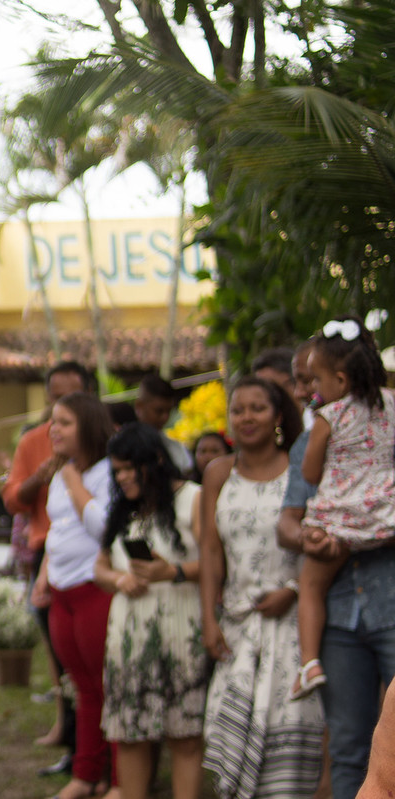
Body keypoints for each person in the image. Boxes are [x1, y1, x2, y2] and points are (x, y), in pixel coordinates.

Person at [200, 376, 323, 797]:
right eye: (238, 410)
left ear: (276, 417)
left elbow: (316, 541)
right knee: (225, 730)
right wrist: (208, 620)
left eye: (257, 408)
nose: (246, 417)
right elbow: (210, 552)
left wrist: (291, 589)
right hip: (236, 624)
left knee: (288, 737)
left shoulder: (301, 467)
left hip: (293, 624)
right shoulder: (217, 473)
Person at [93, 423, 207, 799]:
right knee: (131, 735)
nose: (123, 478)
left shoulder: (194, 498)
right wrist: (118, 580)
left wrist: (170, 572)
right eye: (117, 471)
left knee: (185, 735)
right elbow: (100, 568)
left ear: (155, 461)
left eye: (129, 468)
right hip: (131, 636)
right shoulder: (126, 511)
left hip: (183, 630)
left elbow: (217, 565)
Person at [289, 318, 395, 703]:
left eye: (317, 380)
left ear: (341, 380)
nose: (314, 389)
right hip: (384, 517)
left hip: (339, 520)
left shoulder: (328, 418)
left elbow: (310, 472)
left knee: (312, 586)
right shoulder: (393, 406)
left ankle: (310, 663)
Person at [2, 361, 93, 772]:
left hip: (92, 557)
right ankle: (70, 734)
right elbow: (13, 499)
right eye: (54, 396)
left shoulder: (101, 445)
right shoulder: (36, 440)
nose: (59, 406)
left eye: (70, 397)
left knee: (89, 659)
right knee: (60, 653)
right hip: (47, 552)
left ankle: (89, 749)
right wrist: (41, 477)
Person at [29, 392, 116, 799]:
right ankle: (86, 774)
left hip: (95, 590)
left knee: (107, 686)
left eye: (64, 422)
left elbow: (102, 527)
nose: (53, 429)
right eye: (53, 422)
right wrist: (44, 575)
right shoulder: (62, 473)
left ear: (88, 426)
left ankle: (117, 779)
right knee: (80, 687)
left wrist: (74, 481)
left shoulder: (105, 472)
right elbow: (58, 529)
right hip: (61, 591)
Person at [134, 374, 193, 476]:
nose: (165, 417)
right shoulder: (124, 446)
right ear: (139, 406)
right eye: (159, 411)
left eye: (169, 411)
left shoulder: (177, 449)